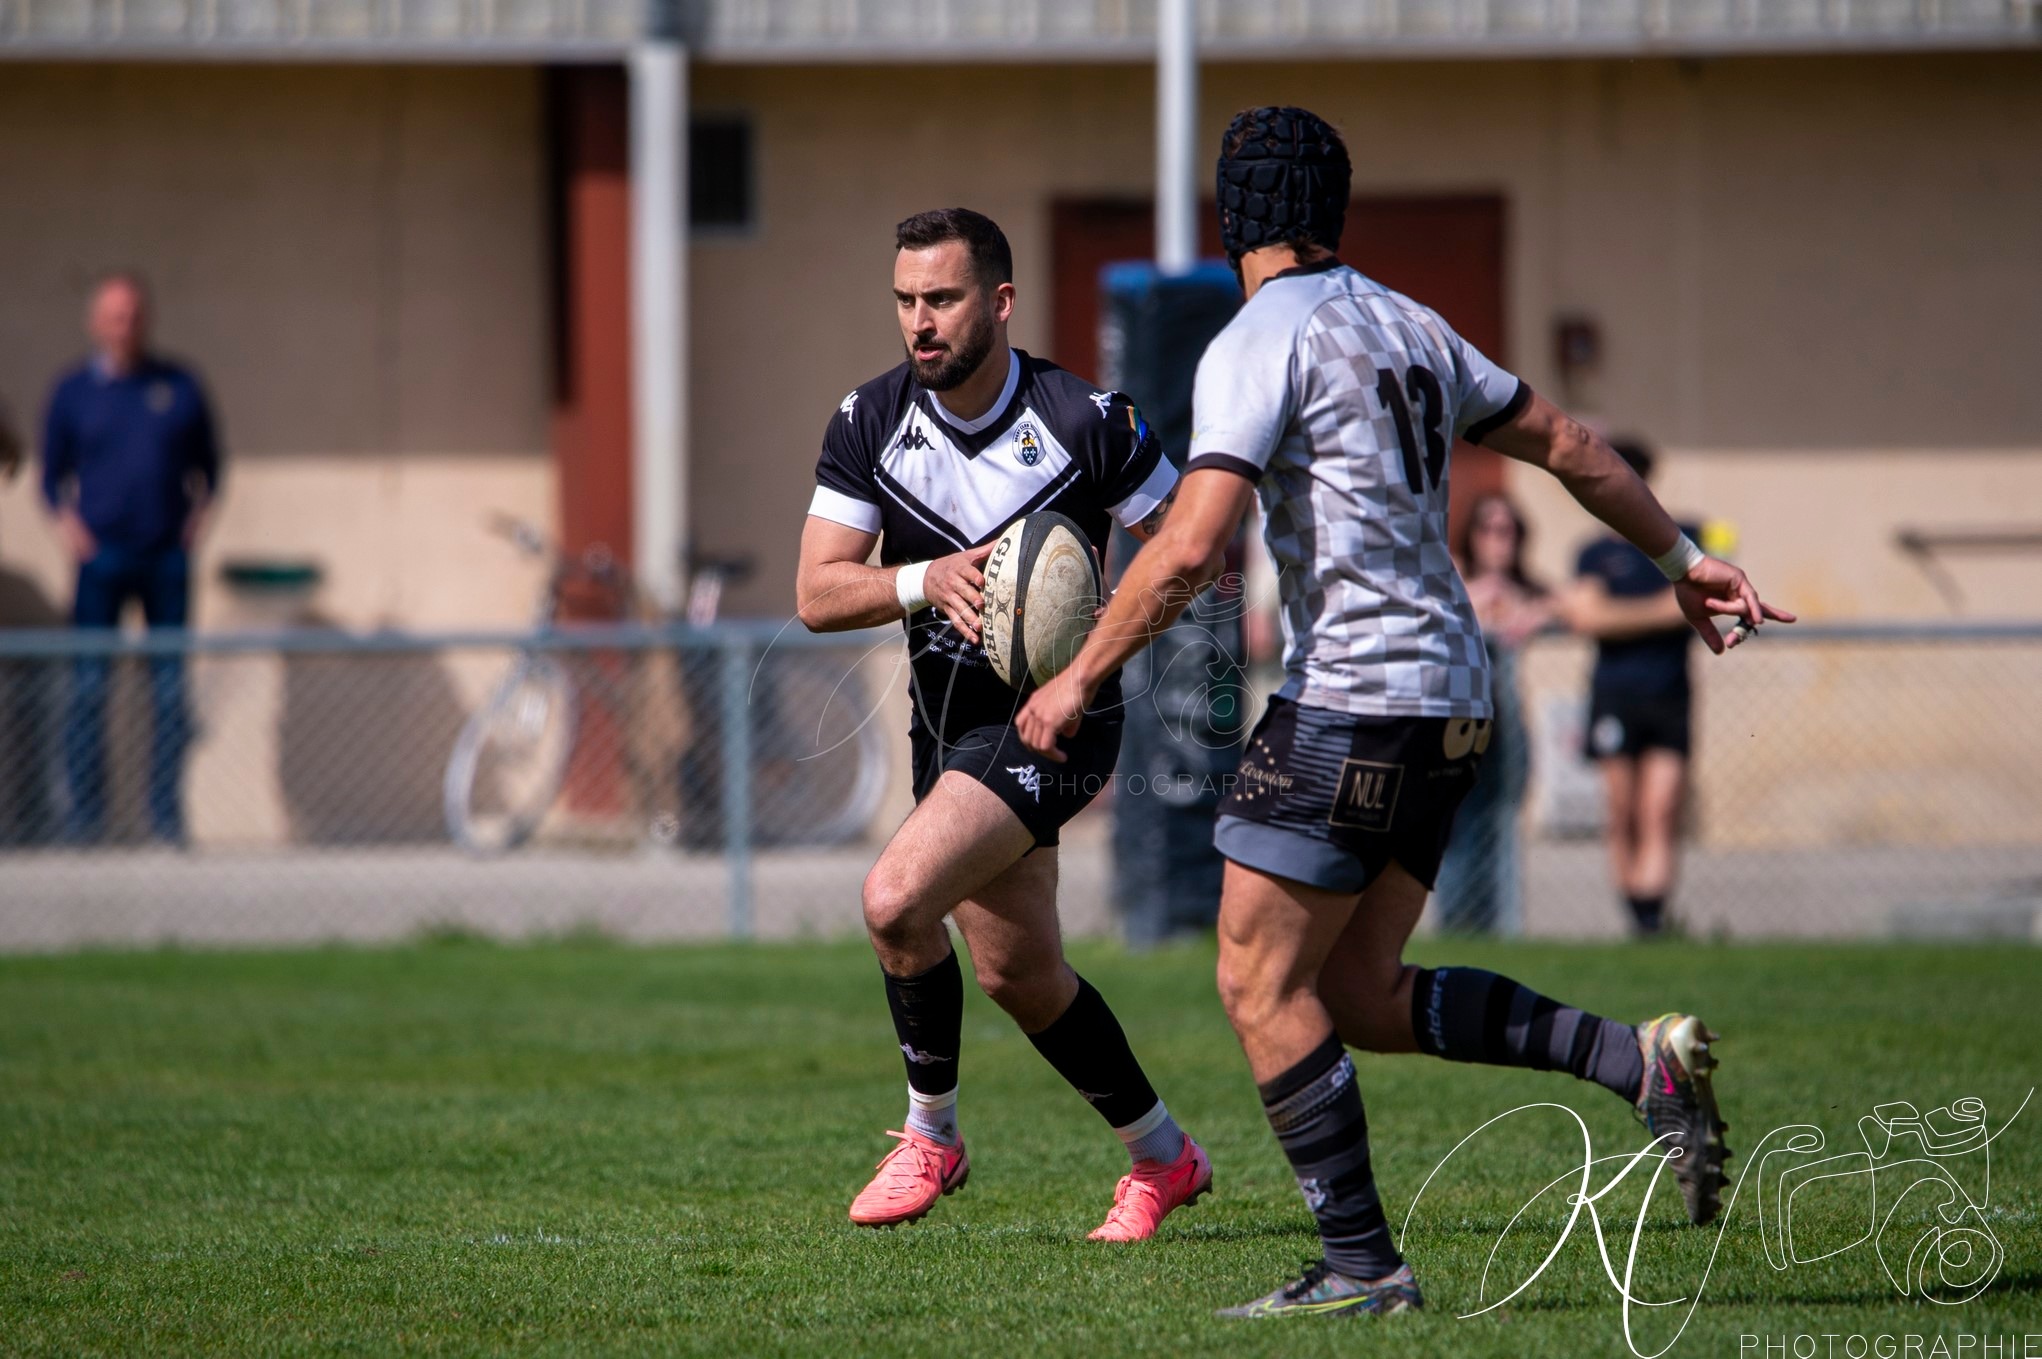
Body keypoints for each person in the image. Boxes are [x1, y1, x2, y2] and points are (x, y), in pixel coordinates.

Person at [1017, 107, 1793, 1318]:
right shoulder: (1411, 323)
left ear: (1233, 216)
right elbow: (1567, 441)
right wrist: (1682, 558)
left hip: (1354, 695)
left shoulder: (1254, 338)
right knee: (1358, 994)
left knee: (1257, 981)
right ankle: (1631, 1060)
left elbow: (1191, 548)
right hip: (1452, 699)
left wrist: (1077, 676)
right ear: (1329, 210)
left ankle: (1361, 1267)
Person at [795, 208, 1212, 1239]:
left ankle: (928, 1134)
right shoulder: (868, 421)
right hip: (945, 727)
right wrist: (921, 578)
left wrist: (1088, 663)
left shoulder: (1086, 420)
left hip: (1053, 721)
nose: (920, 321)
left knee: (894, 901)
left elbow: (1184, 553)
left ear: (1000, 301)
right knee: (1018, 974)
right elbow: (816, 591)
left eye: (941, 298)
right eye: (905, 300)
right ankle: (1165, 1156)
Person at [40, 272, 221, 844]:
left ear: (147, 319)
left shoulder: (179, 385)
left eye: (134, 314)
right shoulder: (73, 391)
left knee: (168, 693)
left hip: (166, 559)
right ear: (95, 322)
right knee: (89, 688)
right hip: (101, 562)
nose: (125, 325)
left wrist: (195, 525)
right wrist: (72, 531)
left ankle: (165, 821)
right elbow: (49, 479)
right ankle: (85, 825)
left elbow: (211, 470)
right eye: (115, 315)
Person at [1565, 440, 1699, 936]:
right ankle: (1636, 916)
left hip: (1670, 693)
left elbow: (1697, 602)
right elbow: (1586, 617)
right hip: (1613, 694)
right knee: (1620, 811)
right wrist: (1663, 610)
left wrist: (1617, 616)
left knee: (1659, 810)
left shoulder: (1685, 539)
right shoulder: (1593, 553)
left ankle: (1652, 918)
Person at [1431, 493, 1551, 933]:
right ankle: (1455, 923)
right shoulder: (1452, 581)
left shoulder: (1529, 590)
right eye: (1488, 529)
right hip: (1452, 724)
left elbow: (1573, 603)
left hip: (1506, 730)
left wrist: (1535, 611)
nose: (1499, 540)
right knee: (1454, 825)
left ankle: (1502, 925)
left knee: (1501, 820)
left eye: (1508, 530)